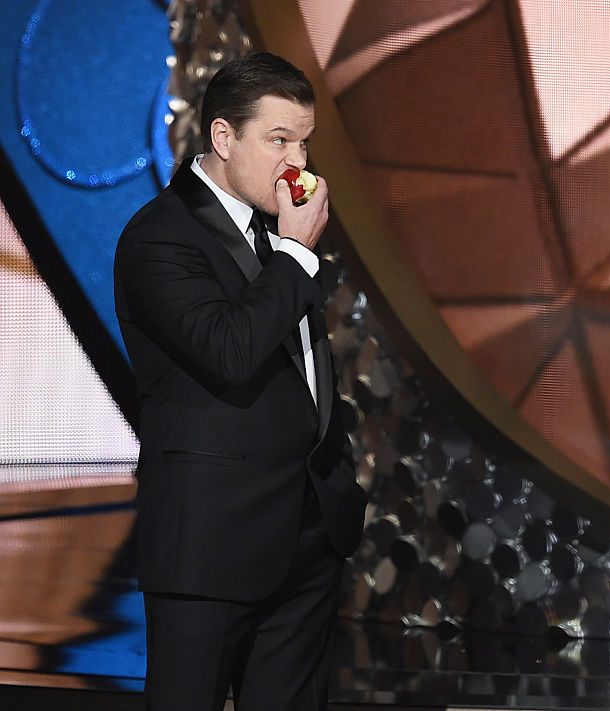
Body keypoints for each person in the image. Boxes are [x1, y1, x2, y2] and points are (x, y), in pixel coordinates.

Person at [114, 52, 367, 710]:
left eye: (304, 142)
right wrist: (295, 254)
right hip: (213, 539)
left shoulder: (277, 234)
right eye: (278, 140)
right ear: (223, 138)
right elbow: (229, 349)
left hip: (307, 536)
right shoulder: (160, 239)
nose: (298, 163)